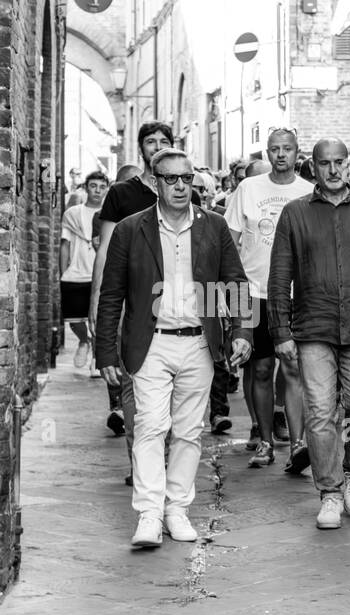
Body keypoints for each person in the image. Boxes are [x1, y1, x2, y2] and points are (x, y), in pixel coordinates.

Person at [94, 148, 253, 548]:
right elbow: (112, 293)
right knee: (149, 426)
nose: (181, 186)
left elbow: (234, 281)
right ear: (155, 182)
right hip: (151, 343)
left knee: (187, 432)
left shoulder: (213, 226)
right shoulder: (132, 229)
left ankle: (176, 509)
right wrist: (105, 353)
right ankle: (149, 514)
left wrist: (242, 332)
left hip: (199, 342)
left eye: (187, 179)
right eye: (171, 179)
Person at [266, 138, 350, 530]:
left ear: (349, 164)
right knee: (321, 413)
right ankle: (329, 491)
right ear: (314, 166)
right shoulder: (294, 214)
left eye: (339, 162)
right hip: (314, 328)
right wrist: (281, 332)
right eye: (324, 163)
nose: (332, 170)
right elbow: (279, 278)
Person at [89, 122, 189, 480]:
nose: (157, 146)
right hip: (132, 303)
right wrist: (96, 302)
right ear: (141, 148)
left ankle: (165, 457)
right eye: (151, 141)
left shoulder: (182, 187)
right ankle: (142, 460)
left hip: (177, 303)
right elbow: (105, 251)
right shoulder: (121, 193)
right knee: (133, 386)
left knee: (178, 390)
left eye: (165, 141)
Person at [224, 128, 314, 471]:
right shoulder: (248, 189)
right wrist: (227, 296)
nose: (281, 155)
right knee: (260, 368)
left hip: (295, 294)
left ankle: (297, 444)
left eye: (287, 149)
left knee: (293, 368)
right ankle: (264, 439)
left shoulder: (308, 191)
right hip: (253, 291)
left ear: (296, 152)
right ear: (267, 152)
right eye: (275, 149)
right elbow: (229, 244)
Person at [60, 170, 108, 371]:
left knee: (100, 319)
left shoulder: (109, 214)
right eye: (93, 186)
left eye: (102, 187)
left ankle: (97, 357)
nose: (97, 190)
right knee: (73, 319)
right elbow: (65, 244)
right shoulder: (72, 214)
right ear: (86, 187)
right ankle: (83, 341)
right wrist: (63, 272)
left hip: (100, 274)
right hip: (76, 273)